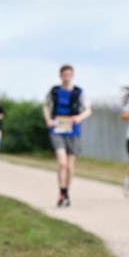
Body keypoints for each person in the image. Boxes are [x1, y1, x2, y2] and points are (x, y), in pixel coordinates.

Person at [44, 65, 92, 207]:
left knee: (70, 166)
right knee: (62, 162)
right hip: (57, 129)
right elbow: (46, 105)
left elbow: (88, 110)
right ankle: (61, 192)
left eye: (69, 75)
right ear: (60, 76)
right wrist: (48, 119)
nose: (66, 77)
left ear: (72, 76)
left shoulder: (79, 92)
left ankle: (66, 192)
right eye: (64, 75)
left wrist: (80, 117)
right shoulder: (54, 91)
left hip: (73, 130)